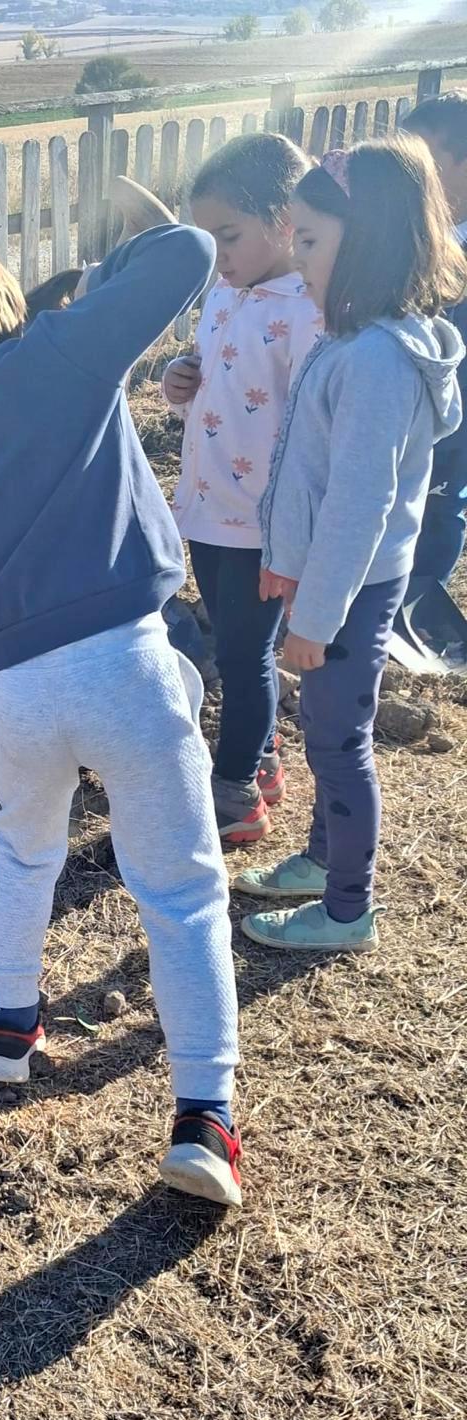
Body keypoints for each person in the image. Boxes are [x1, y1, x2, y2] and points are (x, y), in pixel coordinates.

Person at [0, 196, 244, 1207]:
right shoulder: (61, 354)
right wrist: (115, 256)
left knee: (24, 850)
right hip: (126, 662)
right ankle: (204, 1114)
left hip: (18, 692)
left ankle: (5, 1023)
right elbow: (191, 251)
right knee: (179, 889)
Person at [240, 140, 466, 952]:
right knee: (330, 728)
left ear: (362, 242)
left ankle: (346, 909)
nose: (296, 262)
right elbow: (311, 471)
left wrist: (318, 616)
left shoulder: (375, 360)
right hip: (337, 582)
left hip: (354, 587)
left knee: (339, 743)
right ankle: (317, 858)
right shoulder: (359, 337)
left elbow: (359, 503)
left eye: (309, 242)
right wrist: (287, 562)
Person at [161, 134, 322, 845]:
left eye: (228, 235)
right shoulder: (225, 293)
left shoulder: (307, 311)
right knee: (229, 642)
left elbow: (314, 424)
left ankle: (232, 796)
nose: (217, 253)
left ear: (284, 220)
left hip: (261, 524)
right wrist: (177, 379)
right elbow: (205, 372)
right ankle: (259, 759)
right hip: (205, 508)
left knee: (243, 655)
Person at [402, 93, 467, 610]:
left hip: (458, 417)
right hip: (411, 410)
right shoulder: (411, 239)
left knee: (443, 504)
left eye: (422, 162)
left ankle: (422, 605)